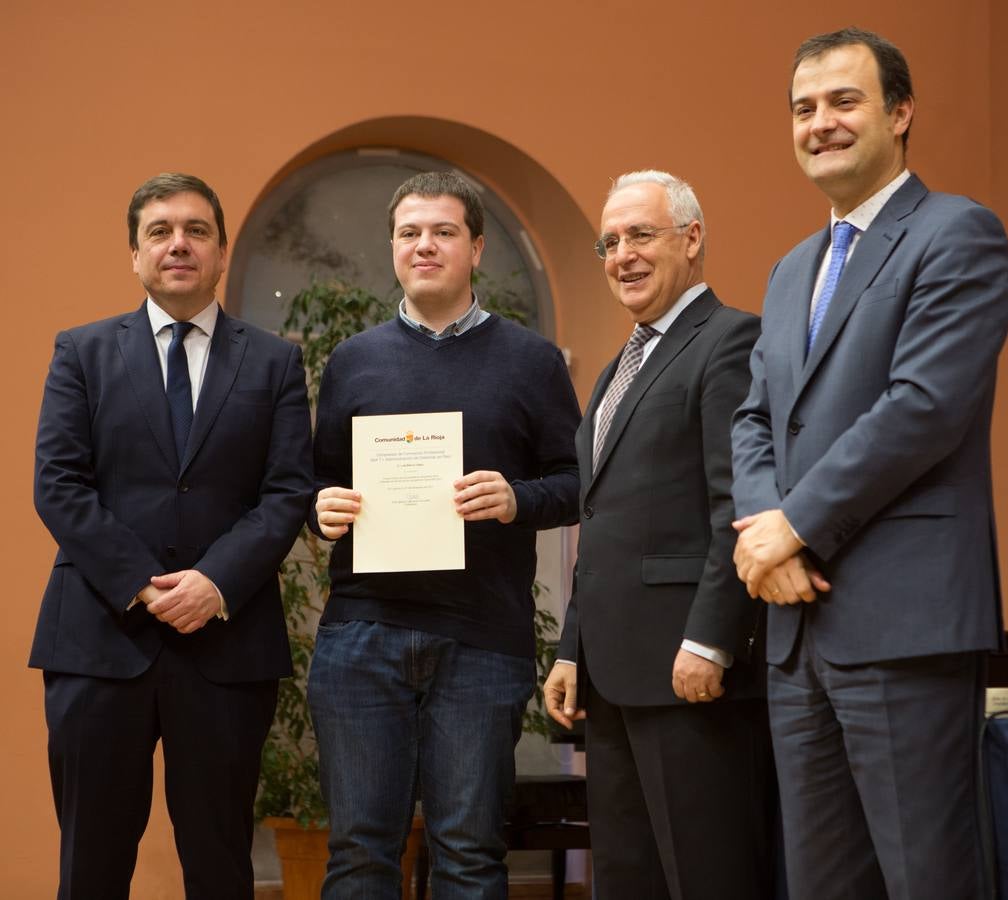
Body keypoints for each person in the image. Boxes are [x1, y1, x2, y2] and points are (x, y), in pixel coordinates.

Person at [731, 28, 1008, 900]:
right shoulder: (789, 271)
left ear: (900, 112)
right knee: (822, 883)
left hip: (905, 623)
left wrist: (795, 523)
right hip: (796, 633)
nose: (821, 122)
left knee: (928, 878)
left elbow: (923, 407)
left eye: (844, 101)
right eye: (803, 108)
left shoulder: (956, 233)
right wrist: (767, 536)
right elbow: (753, 420)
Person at [30, 173, 314, 899]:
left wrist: (214, 583)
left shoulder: (275, 362)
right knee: (90, 865)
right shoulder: (82, 352)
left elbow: (286, 492)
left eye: (196, 230)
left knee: (221, 866)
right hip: (99, 640)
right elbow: (59, 484)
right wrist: (142, 584)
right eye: (160, 231)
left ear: (221, 253)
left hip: (226, 643)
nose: (178, 244)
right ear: (135, 254)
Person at [307, 170, 580, 899]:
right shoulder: (353, 362)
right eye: (408, 233)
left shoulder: (533, 362)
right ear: (393, 249)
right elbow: (313, 481)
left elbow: (579, 482)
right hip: (362, 635)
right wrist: (321, 506)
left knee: (469, 855)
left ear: (477, 247)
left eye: (443, 231)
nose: (423, 245)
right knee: (360, 855)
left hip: (482, 641)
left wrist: (515, 498)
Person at [543, 171, 774, 900]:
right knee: (625, 879)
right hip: (613, 679)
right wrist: (571, 647)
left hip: (690, 675)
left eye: (641, 235)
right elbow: (603, 519)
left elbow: (736, 508)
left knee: (708, 878)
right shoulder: (618, 367)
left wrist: (710, 638)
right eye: (609, 242)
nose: (622, 256)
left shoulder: (731, 341)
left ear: (692, 238)